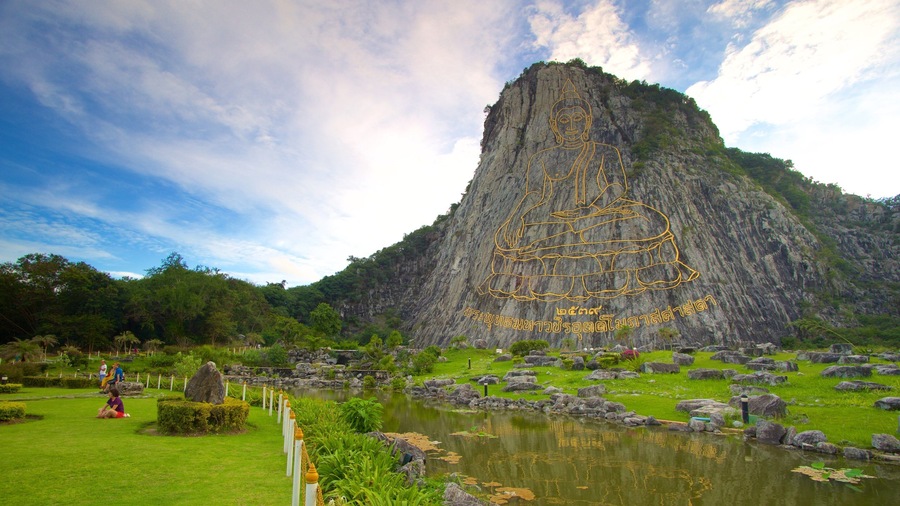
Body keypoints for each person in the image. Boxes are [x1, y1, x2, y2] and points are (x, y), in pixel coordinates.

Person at [479, 79, 699, 301]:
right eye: (564, 120)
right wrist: (518, 216)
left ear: (588, 121)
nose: (572, 126)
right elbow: (536, 193)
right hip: (554, 219)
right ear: (554, 124)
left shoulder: (604, 151)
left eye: (578, 119)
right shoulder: (542, 158)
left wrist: (591, 210)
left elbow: (616, 186)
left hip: (600, 215)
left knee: (649, 220)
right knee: (511, 236)